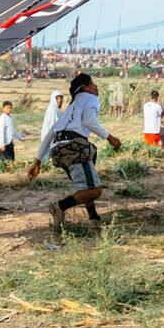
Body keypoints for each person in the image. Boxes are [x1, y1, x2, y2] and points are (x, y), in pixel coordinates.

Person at [29, 73, 122, 231]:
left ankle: (93, 217)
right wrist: (110, 138)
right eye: (93, 84)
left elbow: (51, 133)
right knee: (95, 190)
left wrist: (37, 161)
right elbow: (88, 121)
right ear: (85, 88)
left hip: (59, 150)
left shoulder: (71, 106)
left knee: (86, 185)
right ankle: (60, 206)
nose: (96, 87)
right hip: (75, 147)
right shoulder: (90, 98)